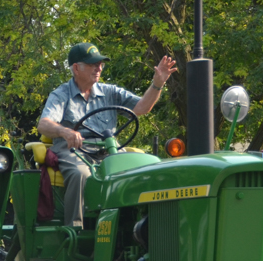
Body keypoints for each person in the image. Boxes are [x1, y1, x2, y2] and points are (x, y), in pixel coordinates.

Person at [38, 42, 177, 228]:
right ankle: (75, 230)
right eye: (93, 64)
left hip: (108, 149)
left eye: (101, 64)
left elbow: (142, 107)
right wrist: (65, 131)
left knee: (140, 172)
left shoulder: (110, 92)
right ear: (76, 68)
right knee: (80, 173)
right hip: (74, 149)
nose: (99, 68)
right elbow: (44, 124)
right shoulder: (61, 94)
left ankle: (135, 228)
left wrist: (157, 84)